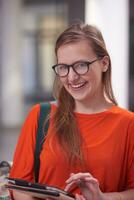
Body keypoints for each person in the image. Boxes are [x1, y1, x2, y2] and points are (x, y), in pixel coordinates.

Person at [9, 21, 134, 200]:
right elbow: (18, 185)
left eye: (81, 65)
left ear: (104, 63)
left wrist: (102, 198)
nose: (72, 77)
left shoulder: (129, 124)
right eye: (63, 67)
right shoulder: (40, 115)